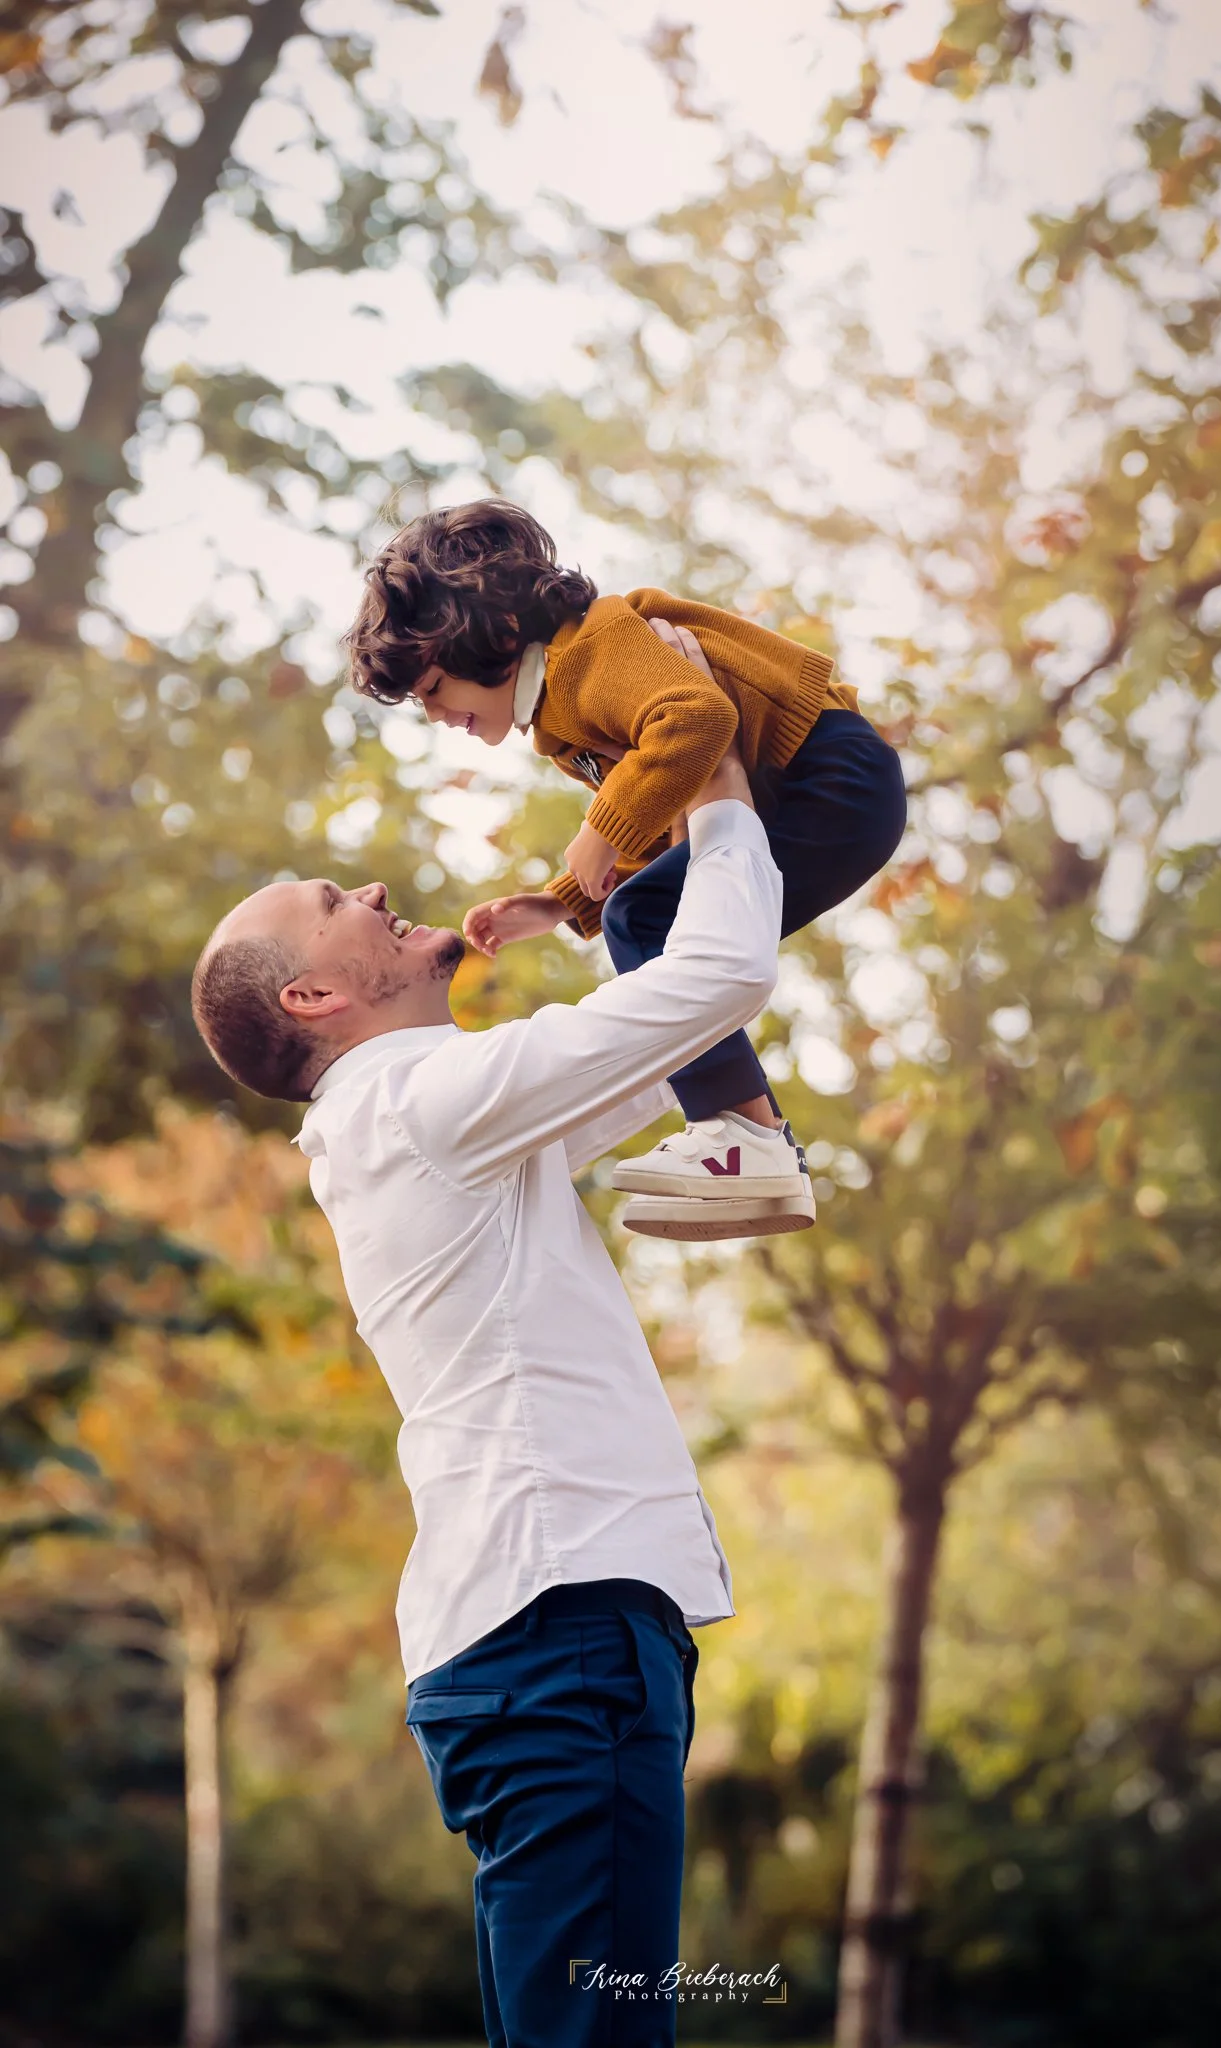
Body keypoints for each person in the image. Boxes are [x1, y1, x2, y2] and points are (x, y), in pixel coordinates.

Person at [190, 703, 781, 2045]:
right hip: (558, 1630)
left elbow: (669, 1031)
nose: (371, 889)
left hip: (544, 1638)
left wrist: (641, 885)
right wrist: (712, 774)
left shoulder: (429, 1119)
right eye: (332, 902)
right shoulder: (414, 1109)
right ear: (313, 998)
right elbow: (718, 980)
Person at [342, 498, 908, 1242]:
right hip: (804, 793)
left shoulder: (595, 648)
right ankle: (752, 1142)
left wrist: (599, 832)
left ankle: (744, 1137)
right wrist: (561, 902)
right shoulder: (558, 718)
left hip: (830, 775)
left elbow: (698, 720)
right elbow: (660, 817)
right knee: (650, 913)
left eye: (434, 690)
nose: (437, 716)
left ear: (498, 632)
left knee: (642, 918)